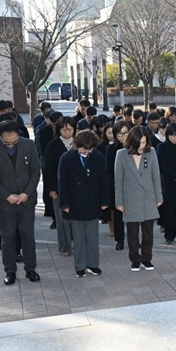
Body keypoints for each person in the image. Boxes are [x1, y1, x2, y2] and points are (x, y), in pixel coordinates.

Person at [0, 121, 42, 285]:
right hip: (4, 203)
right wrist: (6, 195)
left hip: (26, 201)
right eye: (7, 142)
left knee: (28, 236)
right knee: (7, 238)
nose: (11, 145)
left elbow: (35, 171)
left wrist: (26, 193)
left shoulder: (29, 145)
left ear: (19, 134)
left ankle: (31, 269)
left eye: (14, 141)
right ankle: (10, 272)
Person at [59, 130, 109, 278]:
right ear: (77, 145)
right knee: (79, 238)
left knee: (93, 237)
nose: (86, 151)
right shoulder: (66, 158)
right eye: (83, 149)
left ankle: (93, 264)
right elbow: (63, 183)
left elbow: (103, 180)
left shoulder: (98, 157)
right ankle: (80, 265)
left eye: (89, 149)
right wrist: (65, 203)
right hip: (74, 203)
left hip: (93, 202)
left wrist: (105, 201)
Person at [114, 125, 163, 271]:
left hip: (148, 198)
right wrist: (119, 201)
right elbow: (118, 180)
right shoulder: (121, 154)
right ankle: (135, 259)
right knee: (132, 234)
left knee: (148, 233)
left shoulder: (151, 152)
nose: (142, 146)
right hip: (130, 199)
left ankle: (147, 259)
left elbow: (156, 176)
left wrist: (159, 197)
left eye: (144, 142)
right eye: (139, 143)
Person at [44, 116, 76, 257]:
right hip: (59, 187)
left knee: (77, 220)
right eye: (64, 129)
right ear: (59, 130)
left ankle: (79, 245)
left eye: (70, 129)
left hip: (77, 188)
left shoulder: (79, 143)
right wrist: (51, 189)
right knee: (62, 220)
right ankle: (65, 247)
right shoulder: (53, 145)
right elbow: (48, 169)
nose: (67, 132)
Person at [157, 123, 176, 244]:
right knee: (170, 213)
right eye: (172, 135)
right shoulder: (161, 147)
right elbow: (162, 165)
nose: (175, 138)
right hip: (168, 184)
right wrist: (175, 177)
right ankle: (169, 235)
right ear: (167, 135)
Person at [106, 120, 131, 251]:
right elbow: (109, 169)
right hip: (116, 184)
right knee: (118, 215)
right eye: (119, 134)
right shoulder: (111, 149)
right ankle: (119, 240)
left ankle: (134, 239)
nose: (122, 136)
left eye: (125, 133)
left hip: (133, 185)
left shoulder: (135, 147)